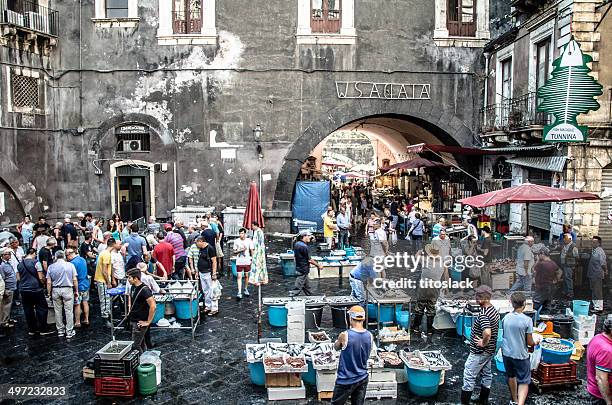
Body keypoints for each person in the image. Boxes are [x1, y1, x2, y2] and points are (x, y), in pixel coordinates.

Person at [461, 285, 500, 405]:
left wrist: (483, 342)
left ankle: (464, 402)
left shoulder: (484, 314)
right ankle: (483, 400)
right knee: (487, 373)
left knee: (469, 374)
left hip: (480, 352)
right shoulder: (493, 309)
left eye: (478, 296)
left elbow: (487, 332)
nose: (476, 299)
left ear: (485, 298)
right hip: (489, 351)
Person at [331, 306, 372, 405]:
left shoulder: (345, 335)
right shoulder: (370, 335)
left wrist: (340, 341)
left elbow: (336, 347)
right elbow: (367, 354)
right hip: (362, 378)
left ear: (350, 318)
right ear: (364, 319)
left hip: (345, 379)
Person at [502, 292, 536, 405]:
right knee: (524, 381)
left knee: (511, 376)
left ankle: (514, 400)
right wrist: (536, 342)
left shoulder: (506, 318)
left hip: (506, 354)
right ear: (524, 304)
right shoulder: (527, 320)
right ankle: (520, 403)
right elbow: (530, 342)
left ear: (512, 303)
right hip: (520, 355)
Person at [412, 241, 446, 336]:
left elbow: (416, 256)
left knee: (420, 305)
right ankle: (430, 329)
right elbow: (445, 275)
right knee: (431, 306)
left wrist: (420, 251)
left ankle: (416, 327)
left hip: (424, 286)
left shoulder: (425, 260)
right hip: (435, 287)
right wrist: (446, 286)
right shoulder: (442, 262)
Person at [17, 248, 52, 336]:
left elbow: (18, 278)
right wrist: (44, 283)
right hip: (35, 289)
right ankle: (43, 328)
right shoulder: (36, 262)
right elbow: (40, 277)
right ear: (33, 253)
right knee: (41, 308)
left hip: (24, 289)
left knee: (28, 309)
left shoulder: (20, 264)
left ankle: (32, 329)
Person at [46, 250, 78, 339]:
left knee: (57, 311)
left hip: (55, 290)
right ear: (64, 256)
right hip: (68, 289)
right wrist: (76, 291)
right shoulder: (70, 265)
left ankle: (60, 330)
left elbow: (49, 282)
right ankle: (69, 331)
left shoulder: (51, 267)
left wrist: (49, 293)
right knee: (69, 311)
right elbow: (74, 279)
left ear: (55, 257)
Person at [126, 268, 156, 353]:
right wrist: (129, 309)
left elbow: (153, 306)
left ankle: (141, 364)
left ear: (136, 278)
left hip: (140, 321)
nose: (128, 280)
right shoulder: (132, 287)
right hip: (134, 319)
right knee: (141, 343)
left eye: (129, 278)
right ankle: (144, 360)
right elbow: (130, 298)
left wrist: (148, 321)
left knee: (135, 346)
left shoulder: (145, 290)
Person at [586, 318, 612, 405]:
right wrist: (609, 401)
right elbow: (601, 379)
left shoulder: (597, 338)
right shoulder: (606, 350)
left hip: (593, 390)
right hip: (602, 397)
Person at [190, 236, 218, 315]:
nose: (196, 245)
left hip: (208, 273)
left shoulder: (210, 248)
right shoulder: (201, 249)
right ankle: (208, 306)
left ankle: (214, 308)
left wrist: (214, 273)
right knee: (206, 291)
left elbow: (214, 261)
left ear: (201, 241)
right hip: (202, 272)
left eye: (196, 243)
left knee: (212, 291)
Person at [290, 230, 322, 296]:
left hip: (300, 267)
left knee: (307, 287)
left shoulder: (297, 244)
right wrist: (318, 265)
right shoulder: (304, 246)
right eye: (309, 236)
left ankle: (311, 297)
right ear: (304, 236)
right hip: (303, 269)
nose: (310, 237)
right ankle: (291, 297)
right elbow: (309, 260)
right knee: (297, 287)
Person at [66, 248, 90, 328]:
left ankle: (77, 322)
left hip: (78, 285)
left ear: (69, 254)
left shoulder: (72, 263)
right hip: (86, 283)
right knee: (85, 301)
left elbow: (73, 277)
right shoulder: (82, 259)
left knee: (77, 304)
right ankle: (86, 319)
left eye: (66, 256)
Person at [94, 238, 115, 319]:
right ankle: (105, 317)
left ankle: (106, 315)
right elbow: (104, 271)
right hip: (103, 280)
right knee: (105, 299)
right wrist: (108, 282)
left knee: (104, 299)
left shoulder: (103, 252)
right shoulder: (106, 254)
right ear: (113, 244)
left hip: (101, 279)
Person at [587, 236, 607, 313]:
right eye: (592, 242)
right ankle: (595, 305)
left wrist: (605, 270)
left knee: (597, 291)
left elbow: (603, 263)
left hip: (597, 273)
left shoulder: (600, 251)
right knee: (593, 290)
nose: (592, 243)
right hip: (592, 273)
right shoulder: (594, 250)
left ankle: (599, 308)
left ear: (599, 243)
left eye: (594, 242)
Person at [233, 228, 253, 299]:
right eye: (240, 233)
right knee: (239, 276)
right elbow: (234, 252)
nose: (241, 235)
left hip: (247, 260)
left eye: (242, 233)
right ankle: (239, 291)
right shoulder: (236, 241)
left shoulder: (249, 241)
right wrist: (241, 250)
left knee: (247, 275)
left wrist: (252, 259)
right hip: (239, 261)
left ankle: (246, 288)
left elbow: (251, 250)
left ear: (245, 234)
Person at [0, 248, 17, 330]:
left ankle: (7, 318)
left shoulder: (7, 263)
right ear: (2, 255)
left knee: (8, 305)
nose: (9, 255)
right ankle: (4, 322)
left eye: (9, 254)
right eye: (7, 254)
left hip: (11, 287)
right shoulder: (2, 266)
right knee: (6, 306)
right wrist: (4, 290)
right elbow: (3, 278)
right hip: (7, 288)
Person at [559, 233, 579, 299]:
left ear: (570, 239)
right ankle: (565, 292)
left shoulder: (573, 247)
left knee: (568, 278)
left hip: (569, 265)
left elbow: (577, 257)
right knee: (565, 278)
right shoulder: (565, 245)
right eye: (564, 239)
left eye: (565, 239)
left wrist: (574, 265)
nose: (564, 240)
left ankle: (570, 293)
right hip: (564, 264)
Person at [250, 221, 268, 286]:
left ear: (255, 225)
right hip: (256, 250)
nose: (252, 227)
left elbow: (260, 243)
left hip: (259, 251)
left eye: (252, 226)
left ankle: (258, 279)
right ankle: (257, 279)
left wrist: (258, 251)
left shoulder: (259, 232)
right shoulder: (256, 232)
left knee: (259, 264)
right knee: (256, 264)